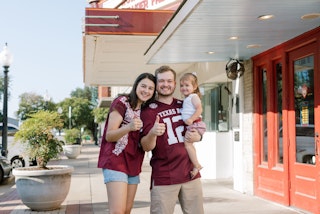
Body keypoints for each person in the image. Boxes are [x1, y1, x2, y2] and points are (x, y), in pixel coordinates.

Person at [140, 65, 204, 214]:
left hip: (190, 173)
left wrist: (199, 136)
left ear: (175, 84)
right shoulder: (148, 111)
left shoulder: (185, 103)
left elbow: (198, 125)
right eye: (161, 81)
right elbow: (145, 146)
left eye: (169, 81)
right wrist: (153, 133)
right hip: (164, 175)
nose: (166, 84)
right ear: (156, 84)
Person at [97, 72, 156, 214]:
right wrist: (128, 127)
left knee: (126, 211)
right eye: (143, 86)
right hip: (115, 161)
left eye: (150, 88)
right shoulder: (122, 102)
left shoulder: (147, 111)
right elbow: (109, 136)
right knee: (118, 211)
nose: (146, 91)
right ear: (136, 85)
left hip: (134, 163)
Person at [180, 72, 206, 179]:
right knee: (190, 145)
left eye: (187, 85)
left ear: (194, 87)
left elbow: (199, 108)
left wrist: (191, 119)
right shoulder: (187, 99)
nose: (184, 88)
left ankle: (197, 165)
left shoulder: (193, 96)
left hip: (195, 124)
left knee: (187, 145)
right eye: (182, 85)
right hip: (192, 125)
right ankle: (196, 165)